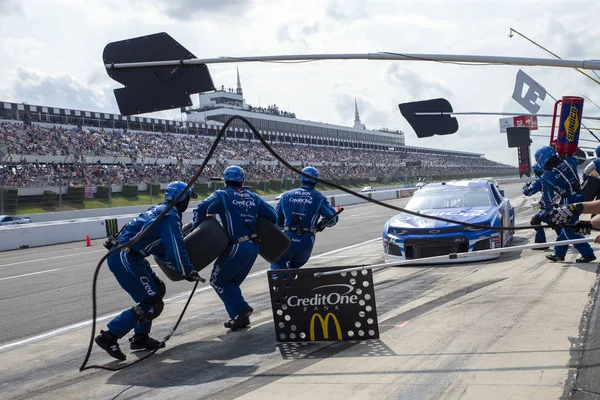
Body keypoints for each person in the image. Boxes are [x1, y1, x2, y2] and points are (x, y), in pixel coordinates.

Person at [95, 181, 202, 361]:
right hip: (125, 257)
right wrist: (188, 271)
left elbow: (160, 248)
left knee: (157, 290)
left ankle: (140, 338)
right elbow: (176, 248)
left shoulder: (161, 209)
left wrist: (180, 268)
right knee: (152, 303)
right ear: (182, 198)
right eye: (187, 199)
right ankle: (109, 336)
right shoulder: (169, 216)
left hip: (129, 256)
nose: (187, 203)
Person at [192, 165, 277, 331]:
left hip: (236, 246)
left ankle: (241, 310)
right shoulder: (254, 197)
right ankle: (239, 319)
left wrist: (196, 228)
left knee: (217, 281)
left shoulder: (222, 194)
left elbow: (201, 208)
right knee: (230, 284)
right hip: (254, 248)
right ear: (242, 179)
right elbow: (272, 215)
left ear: (225, 179)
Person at [534, 146, 596, 263]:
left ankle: (588, 253)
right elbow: (575, 157)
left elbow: (547, 198)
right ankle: (559, 253)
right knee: (566, 227)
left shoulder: (545, 176)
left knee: (569, 230)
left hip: (568, 201)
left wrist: (548, 212)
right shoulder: (569, 161)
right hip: (581, 195)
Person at [271, 166, 339, 270]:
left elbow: (277, 220)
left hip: (288, 237)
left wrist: (283, 227)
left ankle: (279, 283)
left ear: (301, 178)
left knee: (277, 262)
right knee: (294, 267)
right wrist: (321, 225)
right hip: (307, 240)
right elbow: (333, 218)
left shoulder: (286, 195)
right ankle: (291, 282)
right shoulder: (318, 197)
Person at [522, 163, 549, 249]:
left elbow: (527, 192)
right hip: (561, 204)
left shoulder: (540, 180)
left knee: (535, 220)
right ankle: (563, 241)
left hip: (550, 208)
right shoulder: (552, 174)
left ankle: (541, 243)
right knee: (558, 224)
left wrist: (525, 186)